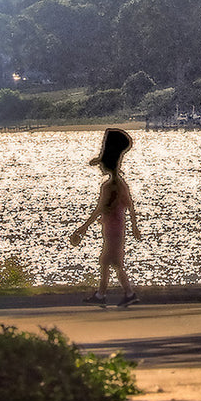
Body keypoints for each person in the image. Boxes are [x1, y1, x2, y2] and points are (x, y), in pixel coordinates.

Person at [70, 128, 141, 307]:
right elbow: (130, 205)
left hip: (113, 230)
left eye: (102, 165)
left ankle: (111, 294)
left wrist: (82, 228)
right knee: (112, 262)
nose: (100, 168)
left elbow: (99, 210)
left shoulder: (109, 187)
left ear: (107, 165)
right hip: (116, 229)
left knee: (109, 262)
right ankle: (119, 293)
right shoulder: (120, 184)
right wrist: (134, 226)